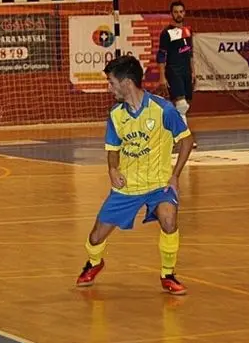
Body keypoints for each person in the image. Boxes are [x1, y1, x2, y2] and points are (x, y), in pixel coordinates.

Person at [76, 54, 194, 294]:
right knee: (96, 237)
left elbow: (187, 140)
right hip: (127, 187)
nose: (109, 88)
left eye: (111, 82)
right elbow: (113, 149)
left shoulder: (163, 109)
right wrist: (112, 169)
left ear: (127, 83)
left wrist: (175, 175)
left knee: (169, 219)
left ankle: (168, 274)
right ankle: (94, 262)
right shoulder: (116, 115)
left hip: (159, 184)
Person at [157, 0, 197, 147]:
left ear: (184, 13)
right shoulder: (166, 33)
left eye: (181, 11)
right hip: (174, 70)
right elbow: (161, 55)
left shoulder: (187, 31)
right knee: (181, 105)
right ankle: (185, 138)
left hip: (186, 71)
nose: (179, 14)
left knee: (184, 106)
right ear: (171, 14)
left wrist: (193, 71)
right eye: (176, 12)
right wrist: (162, 77)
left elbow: (190, 53)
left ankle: (171, 133)